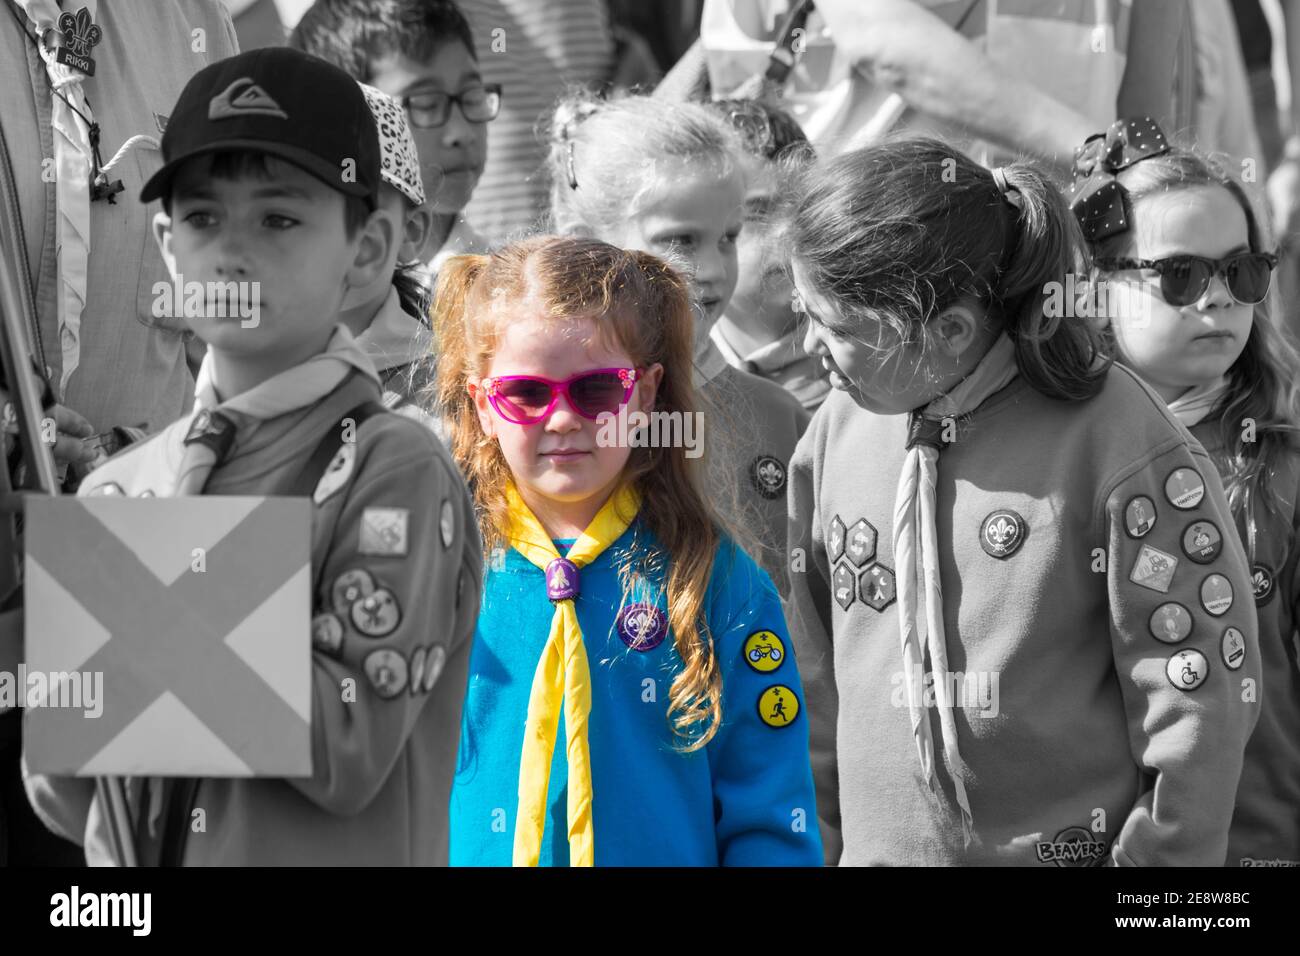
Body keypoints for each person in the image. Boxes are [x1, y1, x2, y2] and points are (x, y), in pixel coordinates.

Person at [22, 47, 481, 865]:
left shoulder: (391, 466)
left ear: (369, 248)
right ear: (167, 247)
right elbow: (67, 791)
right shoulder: (120, 487)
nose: (232, 253)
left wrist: (113, 594)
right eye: (202, 219)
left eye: (278, 218)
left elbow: (343, 740)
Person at [785, 138, 1261, 865]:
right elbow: (811, 676)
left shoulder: (1119, 441)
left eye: (840, 327)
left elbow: (1200, 702)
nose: (811, 346)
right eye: (806, 313)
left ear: (948, 332)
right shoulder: (836, 433)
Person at [436, 234, 821, 866]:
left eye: (594, 391)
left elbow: (771, 815)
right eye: (527, 394)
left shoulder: (717, 583)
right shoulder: (442, 570)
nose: (562, 420)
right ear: (483, 406)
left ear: (643, 395)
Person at [1077, 117, 1300, 867]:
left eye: (1242, 272)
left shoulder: (1287, 464)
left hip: (1256, 848)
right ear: (1093, 287)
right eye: (1178, 275)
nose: (1215, 302)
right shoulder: (1043, 460)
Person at [547, 91, 808, 593]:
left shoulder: (778, 416)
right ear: (586, 242)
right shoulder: (550, 418)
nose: (712, 270)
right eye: (680, 240)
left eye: (728, 237)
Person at [289, 0, 495, 280]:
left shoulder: (504, 288)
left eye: (471, 95)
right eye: (425, 104)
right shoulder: (304, 291)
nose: (462, 133)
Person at [708, 97, 827, 410]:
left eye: (802, 206)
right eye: (758, 214)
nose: (787, 230)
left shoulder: (874, 366)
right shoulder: (669, 388)